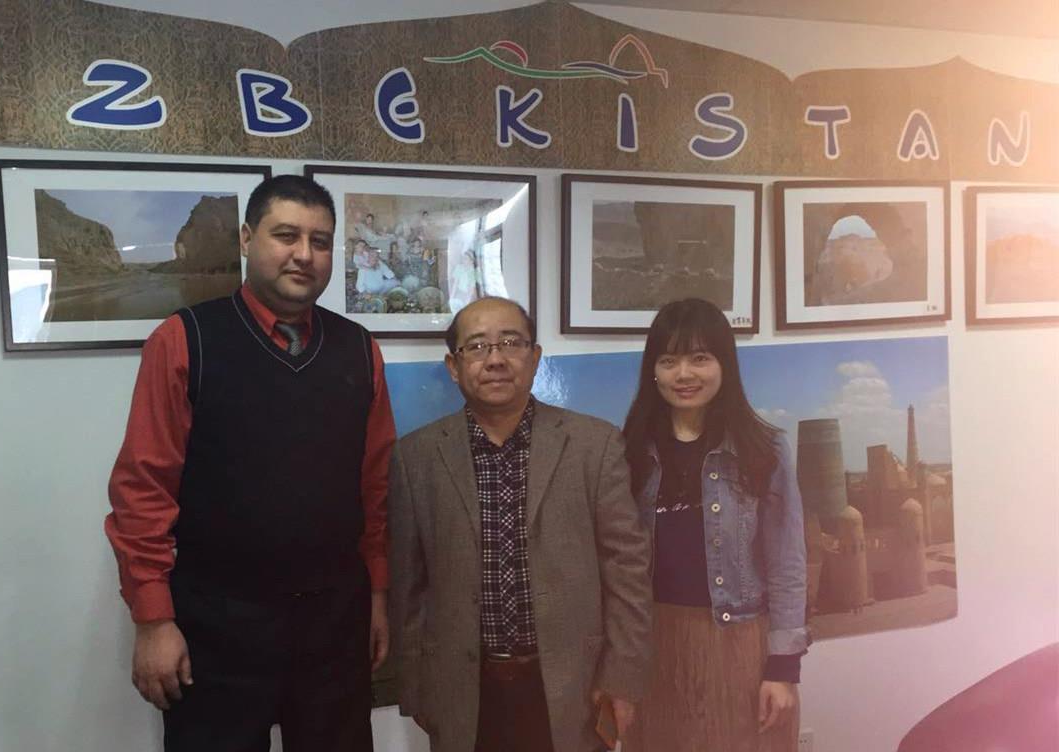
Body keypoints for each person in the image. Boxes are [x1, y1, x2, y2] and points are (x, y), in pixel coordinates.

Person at [105, 174, 396, 752]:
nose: (304, 254)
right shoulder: (185, 340)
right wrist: (153, 619)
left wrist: (378, 595)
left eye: (319, 241)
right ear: (246, 238)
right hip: (216, 623)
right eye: (286, 235)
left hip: (334, 619)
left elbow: (376, 488)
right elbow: (143, 490)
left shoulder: (359, 349)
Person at [389, 296, 653, 752]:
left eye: (511, 343)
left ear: (534, 357)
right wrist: (416, 688)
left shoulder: (594, 445)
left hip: (575, 689)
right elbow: (408, 588)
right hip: (463, 693)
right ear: (454, 367)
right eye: (477, 346)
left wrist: (622, 678)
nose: (495, 359)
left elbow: (627, 569)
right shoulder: (416, 458)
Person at [621, 298, 808, 752]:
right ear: (653, 370)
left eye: (700, 358)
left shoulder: (765, 449)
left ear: (725, 364)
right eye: (669, 361)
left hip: (740, 642)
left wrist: (783, 669)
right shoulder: (628, 452)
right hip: (652, 646)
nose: (684, 374)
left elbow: (787, 564)